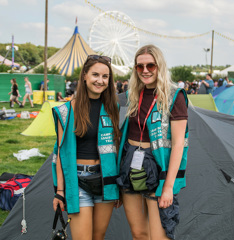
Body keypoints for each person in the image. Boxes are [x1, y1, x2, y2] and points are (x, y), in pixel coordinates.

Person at [117, 45, 189, 240]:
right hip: (131, 163)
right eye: (140, 67)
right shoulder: (132, 95)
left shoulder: (175, 96)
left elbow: (178, 145)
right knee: (139, 234)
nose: (145, 70)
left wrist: (168, 187)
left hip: (158, 168)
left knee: (159, 236)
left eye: (151, 65)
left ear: (160, 66)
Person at [52, 55, 121, 240]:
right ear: (84, 75)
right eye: (95, 75)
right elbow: (61, 153)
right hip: (78, 181)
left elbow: (115, 147)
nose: (100, 81)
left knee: (98, 237)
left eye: (105, 77)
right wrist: (59, 191)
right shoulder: (66, 111)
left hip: (105, 180)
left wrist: (118, 186)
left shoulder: (113, 107)